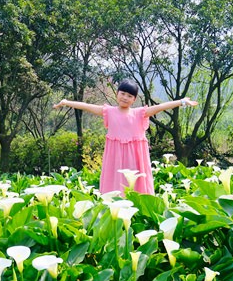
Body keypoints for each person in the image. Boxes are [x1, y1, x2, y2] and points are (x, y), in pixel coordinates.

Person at [53, 79, 197, 195]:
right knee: (115, 184)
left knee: (137, 185)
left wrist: (181, 101)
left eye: (129, 96)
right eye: (123, 94)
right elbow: (86, 106)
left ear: (134, 99)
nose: (125, 98)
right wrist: (66, 102)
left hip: (136, 157)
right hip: (115, 157)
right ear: (117, 94)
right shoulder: (109, 112)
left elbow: (161, 107)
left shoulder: (139, 113)